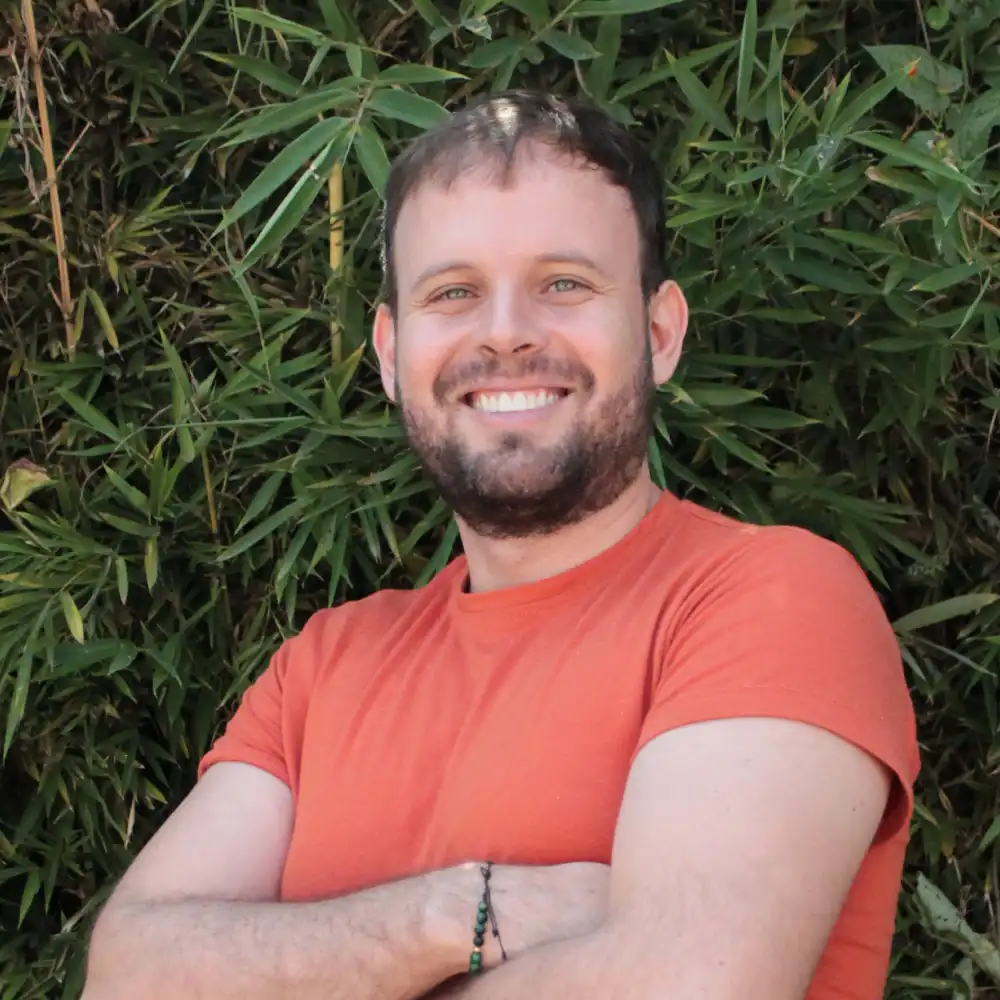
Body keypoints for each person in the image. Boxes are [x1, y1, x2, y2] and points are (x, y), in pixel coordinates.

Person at [82, 90, 920, 1000]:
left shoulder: (771, 598)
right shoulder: (323, 669)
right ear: (391, 352)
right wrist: (469, 916)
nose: (506, 330)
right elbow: (130, 970)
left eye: (564, 282)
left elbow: (686, 988)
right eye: (453, 293)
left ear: (660, 330)